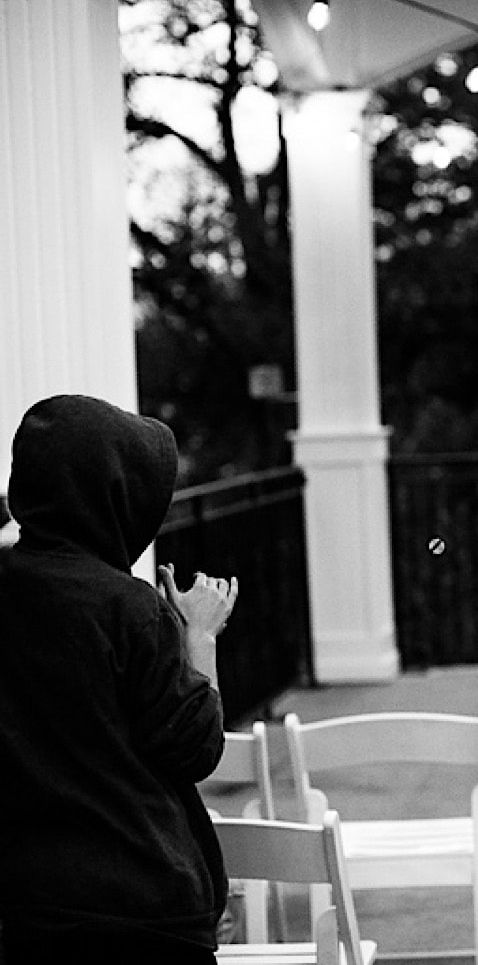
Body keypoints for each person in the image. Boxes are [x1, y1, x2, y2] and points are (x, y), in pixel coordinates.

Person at [0, 394, 239, 964]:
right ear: (113, 497)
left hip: (28, 908)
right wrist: (199, 637)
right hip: (143, 908)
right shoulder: (128, 608)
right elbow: (194, 749)